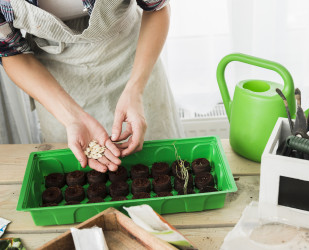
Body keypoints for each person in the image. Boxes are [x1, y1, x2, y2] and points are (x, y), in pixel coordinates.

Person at [0, 0, 184, 172]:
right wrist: (72, 118)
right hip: (55, 86)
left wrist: (135, 89)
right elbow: (11, 52)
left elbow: (156, 7)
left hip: (133, 60)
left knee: (164, 167)